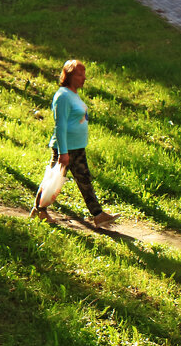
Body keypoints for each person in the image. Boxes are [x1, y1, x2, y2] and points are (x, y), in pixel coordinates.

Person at [30, 60, 118, 227]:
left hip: (77, 147)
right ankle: (39, 210)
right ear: (69, 75)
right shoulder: (62, 96)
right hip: (66, 148)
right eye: (79, 74)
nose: (84, 78)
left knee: (84, 179)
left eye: (84, 74)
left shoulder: (73, 94)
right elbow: (60, 125)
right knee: (53, 180)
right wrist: (63, 152)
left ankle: (98, 215)